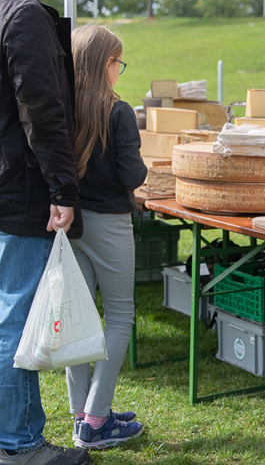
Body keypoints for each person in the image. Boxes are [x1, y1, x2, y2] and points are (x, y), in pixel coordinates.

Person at [0, 0, 89, 465]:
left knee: (11, 315)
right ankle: (16, 444)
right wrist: (64, 188)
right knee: (14, 320)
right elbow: (42, 110)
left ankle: (22, 432)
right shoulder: (24, 13)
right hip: (19, 189)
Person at [68, 25, 147, 449]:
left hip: (73, 223)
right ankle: (97, 421)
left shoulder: (64, 105)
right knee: (119, 317)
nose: (120, 69)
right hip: (110, 224)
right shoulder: (118, 112)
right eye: (119, 61)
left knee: (80, 317)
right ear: (106, 65)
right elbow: (132, 175)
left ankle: (82, 412)